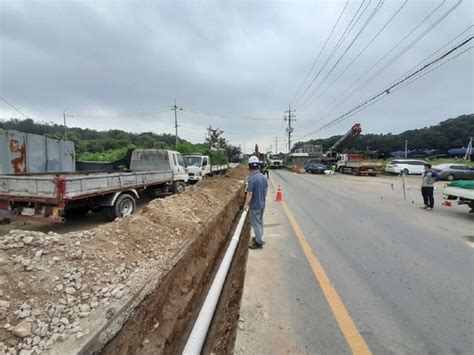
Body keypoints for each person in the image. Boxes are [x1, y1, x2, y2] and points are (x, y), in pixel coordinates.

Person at [244, 156, 268, 249]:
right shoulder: (263, 177)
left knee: (255, 224)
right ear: (258, 166)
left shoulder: (251, 179)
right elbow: (265, 191)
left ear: (249, 167)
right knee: (260, 222)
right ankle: (259, 238)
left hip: (255, 206)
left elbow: (249, 194)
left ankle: (258, 242)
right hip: (262, 204)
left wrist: (245, 205)